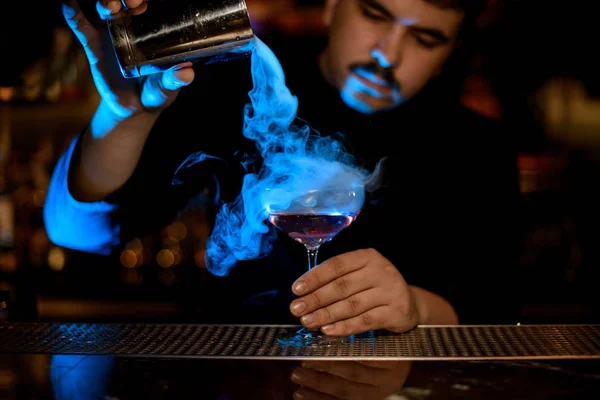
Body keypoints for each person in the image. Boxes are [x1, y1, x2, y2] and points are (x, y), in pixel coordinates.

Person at [44, 0, 523, 335]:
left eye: (425, 37)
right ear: (334, 4)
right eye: (375, 13)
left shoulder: (480, 148)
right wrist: (124, 119)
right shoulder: (245, 90)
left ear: (450, 54)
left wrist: (416, 307)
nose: (387, 55)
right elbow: (75, 232)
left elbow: (496, 316)